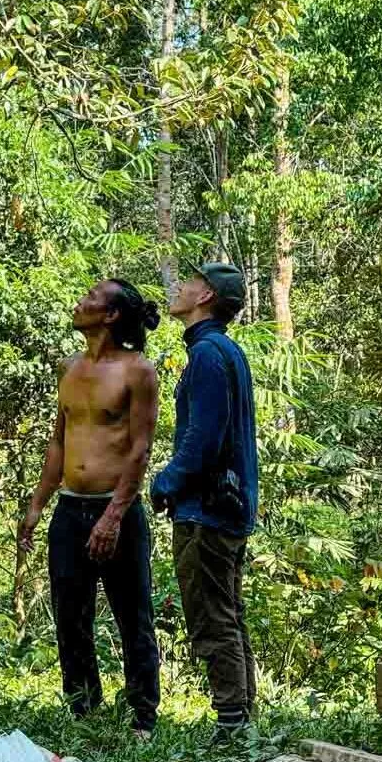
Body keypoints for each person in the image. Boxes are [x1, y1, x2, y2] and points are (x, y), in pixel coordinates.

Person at [19, 279, 161, 736]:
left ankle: (142, 717)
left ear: (111, 315)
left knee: (132, 616)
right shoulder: (69, 368)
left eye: (91, 299)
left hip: (116, 511)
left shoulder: (138, 372)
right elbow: (58, 442)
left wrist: (114, 516)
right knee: (70, 613)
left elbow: (140, 450)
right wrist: (38, 505)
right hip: (70, 509)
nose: (79, 303)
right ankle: (83, 709)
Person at [150, 262, 258, 737]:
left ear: (205, 298)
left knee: (212, 616)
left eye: (190, 283)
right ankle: (241, 713)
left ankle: (231, 721)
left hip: (207, 510)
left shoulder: (210, 355)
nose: (179, 287)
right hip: (224, 507)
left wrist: (166, 481)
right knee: (228, 612)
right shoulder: (220, 351)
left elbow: (203, 438)